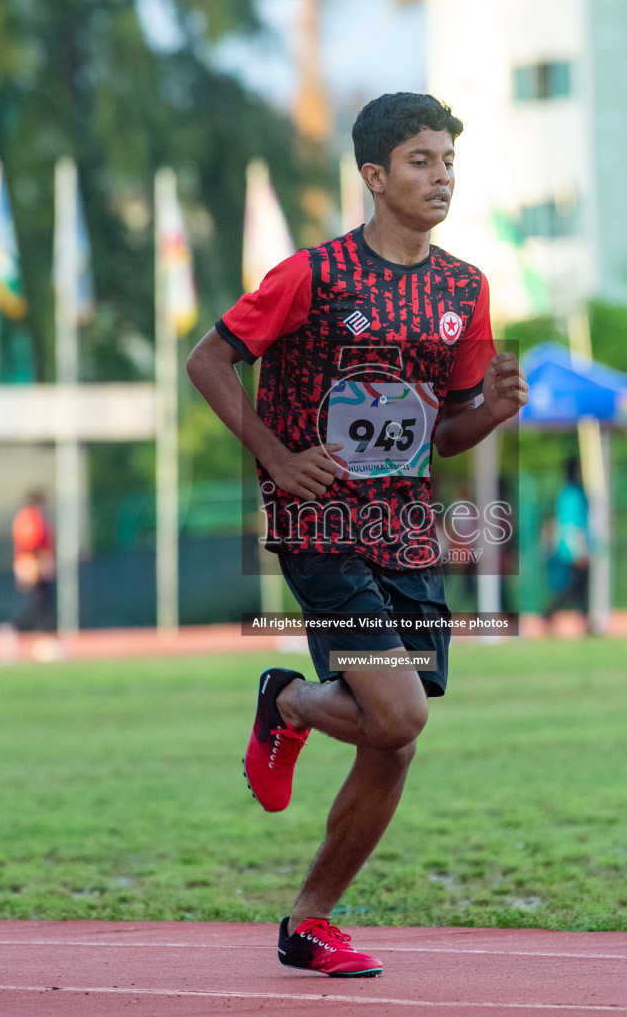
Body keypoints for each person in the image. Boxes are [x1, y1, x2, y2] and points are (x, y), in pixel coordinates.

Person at [184, 92, 527, 978]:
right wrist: (273, 452)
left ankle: (310, 922)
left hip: (407, 528)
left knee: (397, 737)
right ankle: (293, 702)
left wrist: (487, 414)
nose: (441, 175)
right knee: (397, 711)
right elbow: (208, 358)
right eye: (421, 161)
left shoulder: (464, 289)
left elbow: (443, 430)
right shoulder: (314, 275)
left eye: (449, 160)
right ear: (374, 176)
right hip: (322, 519)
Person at [542, 456, 591, 631]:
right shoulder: (572, 493)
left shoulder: (569, 492)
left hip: (574, 546)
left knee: (578, 585)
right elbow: (571, 524)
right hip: (574, 547)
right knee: (574, 585)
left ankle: (583, 619)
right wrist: (578, 550)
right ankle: (549, 613)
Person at [10, 490, 56, 633]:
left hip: (32, 560)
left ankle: (19, 630)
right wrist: (40, 562)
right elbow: (32, 540)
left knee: (40, 600)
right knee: (40, 600)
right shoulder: (31, 516)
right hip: (33, 561)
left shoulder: (27, 516)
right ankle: (15, 629)